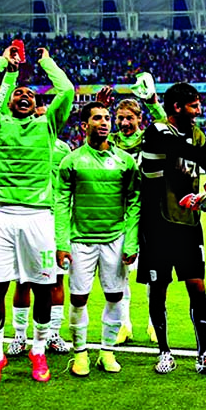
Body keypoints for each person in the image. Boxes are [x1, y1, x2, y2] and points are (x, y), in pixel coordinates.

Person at [0, 43, 75, 390]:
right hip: (1, 216)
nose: (25, 96)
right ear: (10, 101)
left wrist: (46, 63)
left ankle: (39, 348)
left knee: (44, 287)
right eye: (18, 93)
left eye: (30, 94)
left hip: (39, 218)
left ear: (36, 104)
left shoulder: (47, 127)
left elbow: (67, 90)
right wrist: (5, 62)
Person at [138, 82, 206, 374]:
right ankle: (164, 351)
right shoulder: (157, 131)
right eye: (194, 105)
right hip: (157, 224)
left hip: (188, 225)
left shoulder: (197, 134)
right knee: (158, 288)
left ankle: (204, 352)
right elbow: (186, 151)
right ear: (177, 107)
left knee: (197, 286)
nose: (199, 109)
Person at [56, 102, 139, 376]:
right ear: (84, 125)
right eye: (97, 118)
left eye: (107, 118)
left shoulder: (125, 162)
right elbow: (61, 203)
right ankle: (80, 354)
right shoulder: (71, 161)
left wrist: (131, 242)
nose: (104, 122)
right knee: (79, 298)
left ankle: (107, 351)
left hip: (115, 239)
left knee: (115, 296)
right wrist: (61, 242)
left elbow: (134, 202)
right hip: (81, 240)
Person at [0, 68, 70, 357]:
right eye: (38, 111)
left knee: (55, 279)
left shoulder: (64, 149)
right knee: (23, 279)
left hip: (54, 220)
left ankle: (53, 333)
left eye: (43, 111)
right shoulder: (21, 140)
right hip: (27, 214)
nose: (40, 115)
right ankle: (19, 335)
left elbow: (68, 187)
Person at [99, 78, 168, 344]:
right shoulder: (111, 140)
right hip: (118, 213)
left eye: (129, 118)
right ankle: (123, 324)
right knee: (120, 274)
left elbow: (166, 127)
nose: (124, 123)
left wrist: (153, 102)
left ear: (139, 118)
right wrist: (99, 107)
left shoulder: (149, 137)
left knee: (153, 274)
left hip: (150, 213)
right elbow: (92, 140)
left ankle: (153, 322)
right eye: (120, 118)